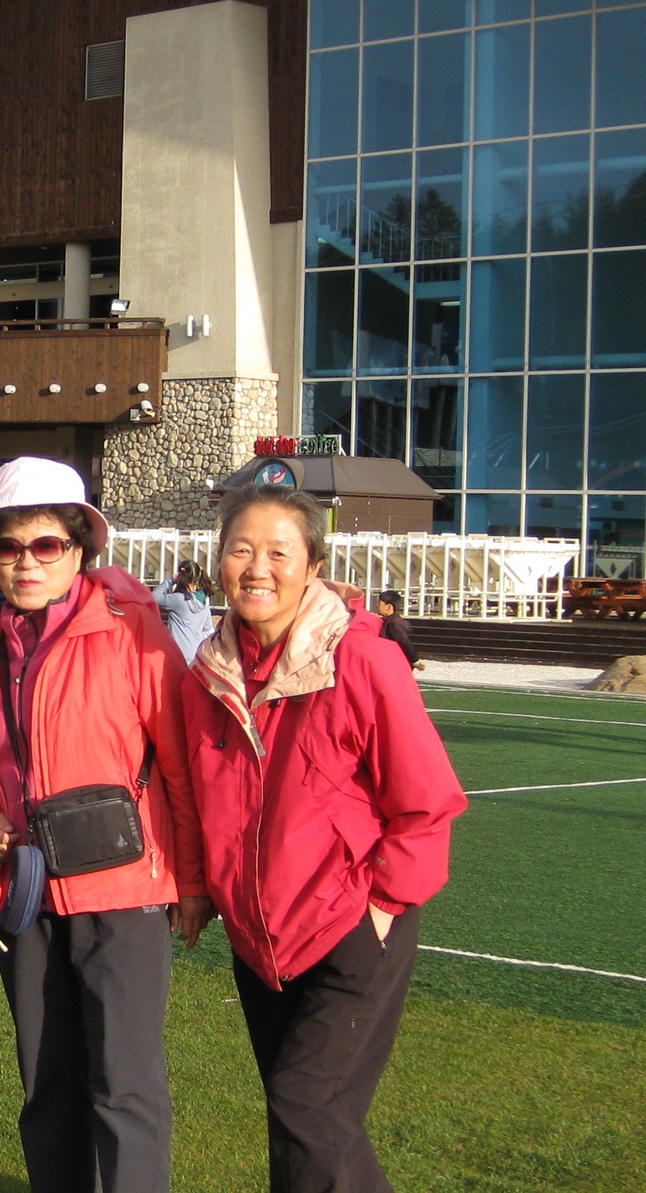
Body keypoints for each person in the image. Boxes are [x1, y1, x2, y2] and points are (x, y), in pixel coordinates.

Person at [0, 456, 202, 1193]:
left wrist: (193, 882)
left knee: (124, 1086)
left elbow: (179, 765)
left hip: (124, 893)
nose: (27, 562)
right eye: (8, 546)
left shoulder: (133, 634)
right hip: (26, 895)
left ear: (79, 549)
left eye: (46, 544)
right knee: (46, 1087)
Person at [179, 485, 467, 1193]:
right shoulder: (208, 674)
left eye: (279, 553)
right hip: (259, 936)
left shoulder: (362, 660)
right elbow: (194, 796)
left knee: (305, 1106)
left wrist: (383, 903)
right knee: (308, 1119)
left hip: (350, 924)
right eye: (241, 549)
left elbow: (427, 800)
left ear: (312, 566)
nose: (257, 568)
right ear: (218, 560)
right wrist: (200, 886)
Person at [154, 561, 213, 665]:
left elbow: (154, 596)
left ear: (180, 575)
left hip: (177, 654)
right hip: (196, 654)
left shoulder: (178, 599)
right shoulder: (203, 604)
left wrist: (171, 580)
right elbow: (207, 627)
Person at [373, 591, 420, 671]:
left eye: (379, 603)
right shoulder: (390, 621)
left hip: (397, 666)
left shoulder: (394, 624)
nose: (377, 606)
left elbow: (405, 642)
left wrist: (415, 661)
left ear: (388, 607)